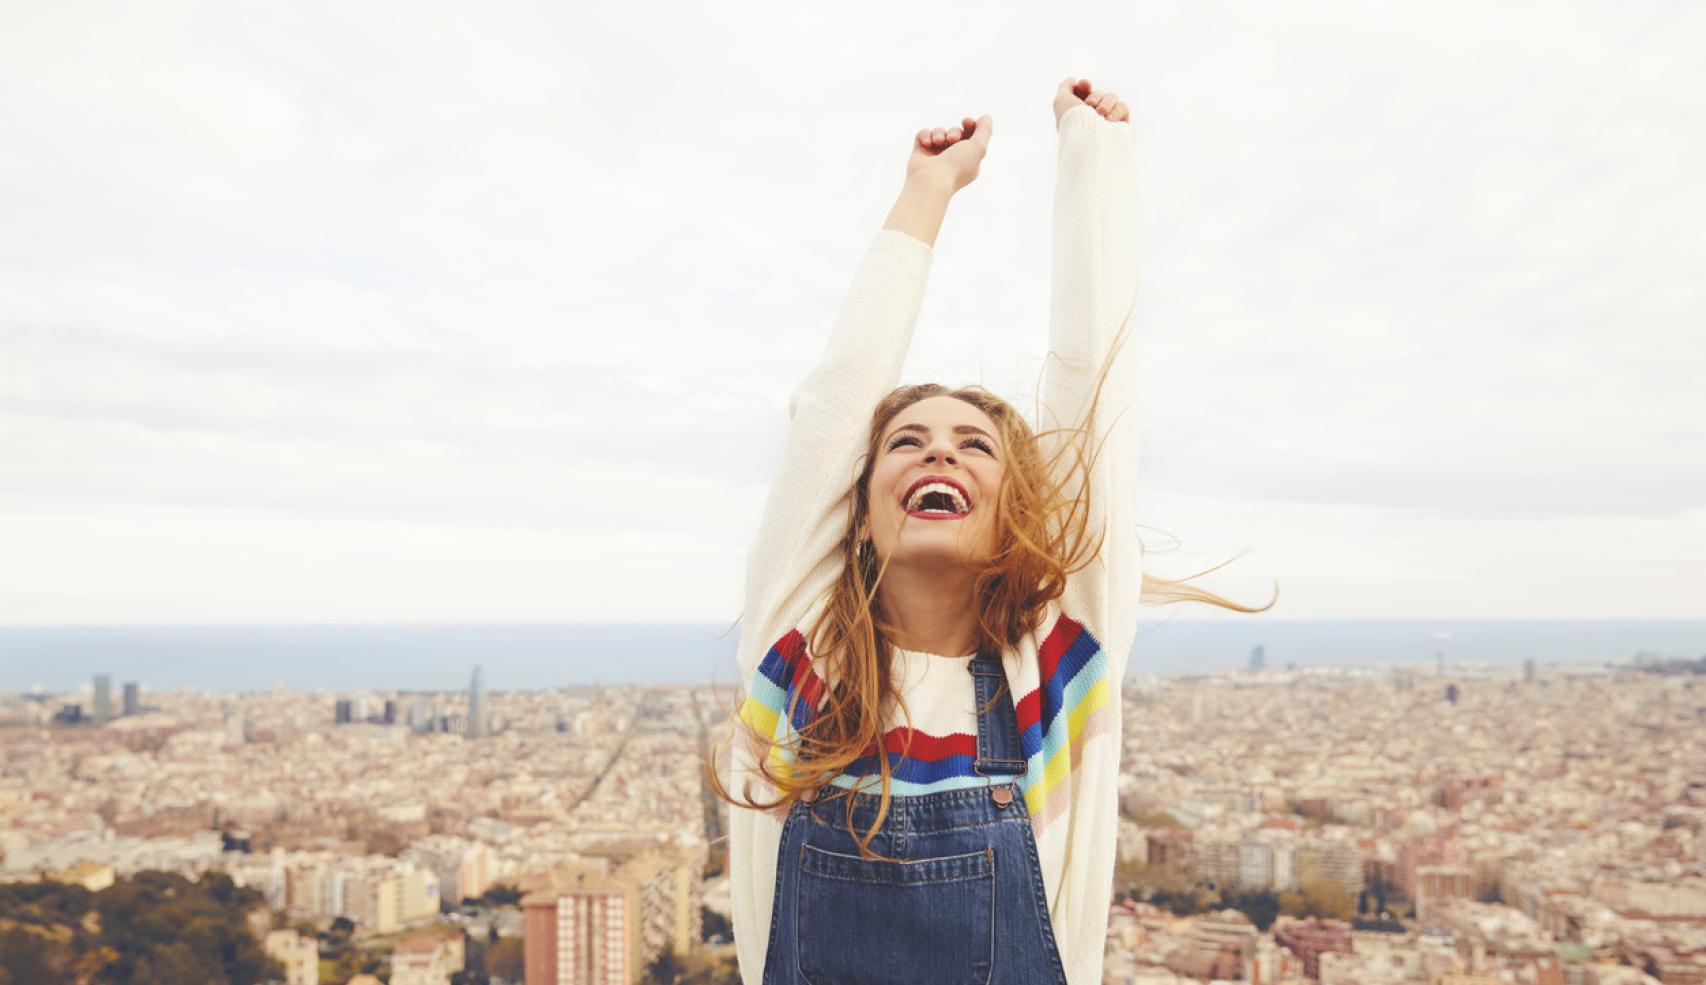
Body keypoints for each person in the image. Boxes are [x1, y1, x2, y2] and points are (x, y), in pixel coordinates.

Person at [707, 76, 1271, 985]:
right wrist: (926, 193)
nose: (941, 456)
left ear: (1015, 509)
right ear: (856, 504)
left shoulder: (1057, 664)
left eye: (975, 446)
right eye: (906, 441)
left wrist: (1093, 161)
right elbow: (830, 414)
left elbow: (1096, 391)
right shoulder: (797, 654)